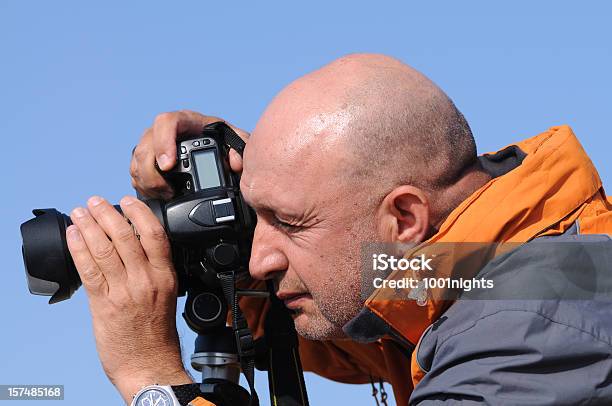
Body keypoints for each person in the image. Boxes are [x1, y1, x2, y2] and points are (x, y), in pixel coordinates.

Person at [66, 54, 612, 405]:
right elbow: (346, 330)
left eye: (290, 222)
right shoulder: (480, 272)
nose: (259, 259)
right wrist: (238, 201)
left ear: (403, 218)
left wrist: (152, 381)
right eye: (261, 218)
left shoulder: (528, 337)